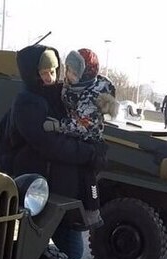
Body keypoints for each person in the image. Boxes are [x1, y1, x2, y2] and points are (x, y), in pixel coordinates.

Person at [0, 44, 105, 259]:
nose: (49, 77)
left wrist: (96, 144)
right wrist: (88, 152)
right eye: (44, 73)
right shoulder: (27, 102)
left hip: (62, 191)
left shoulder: (62, 94)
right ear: (32, 73)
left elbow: (82, 123)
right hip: (37, 191)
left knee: (70, 252)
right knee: (31, 252)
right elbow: (48, 144)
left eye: (53, 71)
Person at [43, 48, 117, 224]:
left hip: (91, 141)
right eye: (67, 69)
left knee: (88, 178)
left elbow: (83, 125)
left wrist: (58, 126)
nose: (67, 74)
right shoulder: (73, 87)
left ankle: (93, 212)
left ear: (83, 74)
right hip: (76, 137)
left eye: (72, 72)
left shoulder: (92, 95)